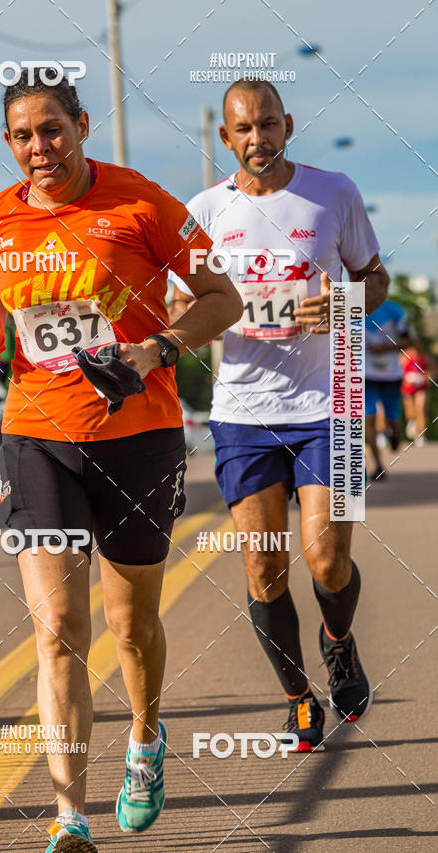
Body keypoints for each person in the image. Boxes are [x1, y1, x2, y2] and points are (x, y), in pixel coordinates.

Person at [0, 70, 242, 852]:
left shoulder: (141, 203)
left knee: (131, 624)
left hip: (138, 433)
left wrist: (156, 346)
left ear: (82, 126)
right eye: (22, 135)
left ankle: (146, 738)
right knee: (57, 626)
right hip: (34, 435)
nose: (38, 148)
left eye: (52, 130)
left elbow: (224, 299)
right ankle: (70, 819)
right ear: (9, 143)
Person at [170, 79, 390, 753]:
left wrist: (349, 303)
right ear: (225, 138)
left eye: (269, 124)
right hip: (242, 413)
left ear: (287, 125)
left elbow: (375, 275)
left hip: (332, 405)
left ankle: (339, 643)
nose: (258, 139)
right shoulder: (201, 212)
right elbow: (180, 309)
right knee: (265, 569)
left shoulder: (335, 193)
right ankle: (298, 696)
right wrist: (191, 325)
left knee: (326, 561)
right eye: (245, 128)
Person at [365, 298, 411, 477]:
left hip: (391, 374)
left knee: (392, 417)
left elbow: (408, 341)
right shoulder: (350, 310)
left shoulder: (394, 310)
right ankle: (377, 465)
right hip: (365, 374)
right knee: (369, 418)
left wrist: (385, 347)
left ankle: (395, 433)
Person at [401, 337, 434, 445]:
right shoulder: (404, 357)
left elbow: (431, 369)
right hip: (408, 387)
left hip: (421, 387)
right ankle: (412, 423)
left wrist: (426, 378)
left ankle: (421, 435)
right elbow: (398, 371)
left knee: (420, 409)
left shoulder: (424, 357)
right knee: (410, 412)